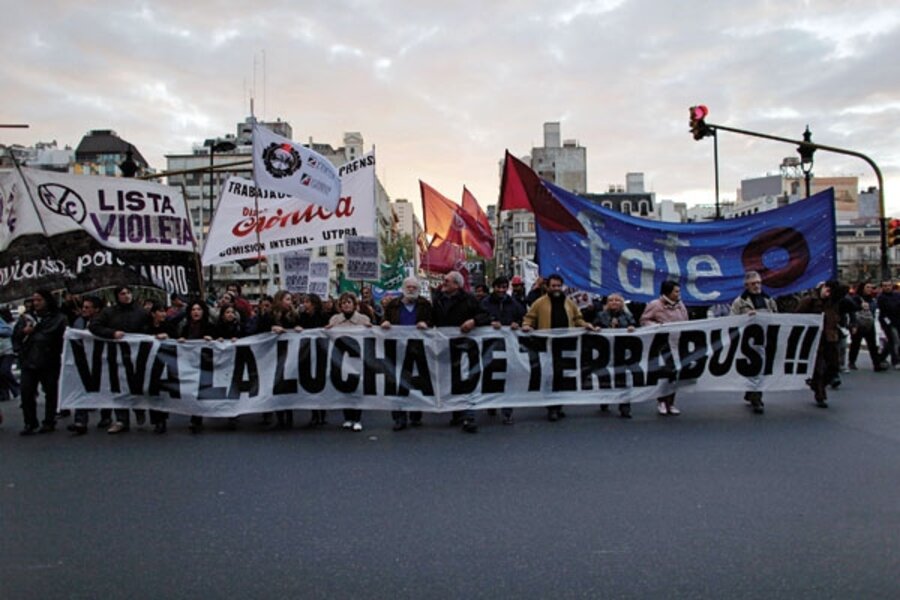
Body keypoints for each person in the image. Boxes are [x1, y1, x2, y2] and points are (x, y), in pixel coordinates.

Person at [522, 273, 595, 421]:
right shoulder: (540, 303)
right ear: (547, 287)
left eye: (558, 286)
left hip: (565, 344)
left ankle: (558, 404)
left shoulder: (569, 303)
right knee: (550, 375)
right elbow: (530, 317)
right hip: (547, 345)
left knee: (561, 375)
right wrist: (526, 325)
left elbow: (577, 318)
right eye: (553, 286)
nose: (556, 289)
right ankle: (552, 407)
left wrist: (586, 325)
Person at [432, 271, 490, 433]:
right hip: (445, 347)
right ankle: (456, 412)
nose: (444, 282)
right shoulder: (438, 300)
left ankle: (469, 416)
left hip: (466, 348)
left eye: (447, 281)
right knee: (451, 380)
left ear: (457, 285)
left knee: (466, 380)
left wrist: (474, 321)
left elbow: (486, 315)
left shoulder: (469, 300)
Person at [89, 286, 152, 433]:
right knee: (118, 387)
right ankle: (121, 419)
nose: (126, 296)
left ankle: (139, 410)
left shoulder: (141, 313)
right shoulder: (109, 313)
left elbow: (149, 330)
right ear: (117, 296)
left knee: (136, 385)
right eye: (123, 294)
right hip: (116, 356)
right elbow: (94, 326)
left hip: (136, 356)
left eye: (128, 293)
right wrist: (112, 333)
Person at [381, 277, 433, 430]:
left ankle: (416, 414)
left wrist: (427, 324)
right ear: (403, 288)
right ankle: (399, 417)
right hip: (397, 349)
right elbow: (385, 320)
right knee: (397, 383)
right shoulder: (393, 305)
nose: (411, 289)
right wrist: (385, 323)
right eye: (408, 287)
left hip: (418, 348)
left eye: (414, 287)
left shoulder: (425, 305)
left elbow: (433, 321)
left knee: (417, 382)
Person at [14, 290, 67, 435]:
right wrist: (23, 333)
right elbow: (16, 337)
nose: (36, 303)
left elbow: (58, 337)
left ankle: (49, 421)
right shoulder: (26, 318)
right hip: (28, 360)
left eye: (39, 300)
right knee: (26, 392)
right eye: (34, 300)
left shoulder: (58, 318)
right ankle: (29, 422)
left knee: (50, 391)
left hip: (49, 360)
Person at [730, 271, 778, 414]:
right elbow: (732, 319)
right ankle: (753, 394)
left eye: (758, 283)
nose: (757, 286)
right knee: (753, 369)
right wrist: (746, 317)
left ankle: (756, 396)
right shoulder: (740, 302)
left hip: (765, 339)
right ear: (747, 285)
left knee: (760, 369)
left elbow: (776, 317)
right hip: (747, 342)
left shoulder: (768, 300)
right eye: (753, 284)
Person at [480, 276, 525, 424]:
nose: (501, 290)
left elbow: (522, 317)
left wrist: (516, 324)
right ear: (494, 287)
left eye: (504, 287)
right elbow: (479, 317)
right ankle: (492, 403)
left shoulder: (513, 303)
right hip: (490, 345)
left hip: (508, 346)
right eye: (499, 287)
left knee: (508, 376)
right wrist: (490, 322)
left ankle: (507, 411)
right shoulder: (485, 303)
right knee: (490, 374)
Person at [640, 280, 689, 415]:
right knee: (664, 373)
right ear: (668, 292)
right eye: (676, 291)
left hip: (677, 343)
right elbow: (644, 320)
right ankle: (661, 401)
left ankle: (671, 402)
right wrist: (658, 327)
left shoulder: (680, 305)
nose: (678, 294)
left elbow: (686, 320)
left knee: (675, 374)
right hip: (662, 345)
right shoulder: (655, 305)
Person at [326, 292, 371, 431]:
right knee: (344, 388)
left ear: (354, 305)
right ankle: (348, 418)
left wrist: (371, 328)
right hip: (341, 359)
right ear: (340, 306)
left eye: (349, 302)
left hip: (357, 359)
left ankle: (357, 418)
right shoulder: (334, 319)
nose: (346, 305)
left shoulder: (364, 319)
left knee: (357, 388)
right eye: (343, 303)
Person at [797, 281, 843, 408]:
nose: (828, 290)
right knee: (818, 369)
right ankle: (820, 394)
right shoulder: (809, 301)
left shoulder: (833, 301)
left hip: (830, 338)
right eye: (825, 287)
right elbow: (797, 317)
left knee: (834, 366)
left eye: (830, 288)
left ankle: (818, 385)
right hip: (814, 339)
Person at [593, 293, 637, 418]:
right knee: (605, 375)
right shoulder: (601, 315)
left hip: (621, 351)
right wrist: (596, 328)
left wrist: (631, 327)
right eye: (611, 300)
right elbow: (595, 325)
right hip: (605, 351)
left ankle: (624, 406)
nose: (614, 302)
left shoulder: (628, 316)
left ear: (622, 303)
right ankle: (605, 399)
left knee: (622, 377)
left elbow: (635, 325)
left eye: (617, 300)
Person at [68, 295, 106, 434]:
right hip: (83, 360)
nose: (84, 310)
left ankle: (106, 416)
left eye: (87, 308)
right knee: (81, 388)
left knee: (104, 388)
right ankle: (80, 420)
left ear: (97, 310)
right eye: (83, 307)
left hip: (100, 360)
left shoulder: (104, 322)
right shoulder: (79, 322)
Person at [177, 300, 216, 432]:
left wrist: (212, 340)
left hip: (205, 363)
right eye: (193, 309)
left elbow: (219, 343)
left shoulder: (210, 326)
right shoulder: (185, 327)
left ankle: (197, 417)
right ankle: (195, 416)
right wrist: (181, 340)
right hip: (190, 364)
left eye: (198, 309)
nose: (196, 312)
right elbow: (179, 341)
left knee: (202, 390)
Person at [267, 290, 303, 429]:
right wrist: (271, 328)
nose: (290, 302)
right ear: (279, 300)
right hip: (273, 356)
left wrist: (298, 329)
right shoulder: (269, 316)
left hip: (290, 356)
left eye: (290, 300)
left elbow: (300, 328)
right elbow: (258, 331)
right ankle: (279, 417)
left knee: (288, 385)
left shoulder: (294, 316)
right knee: (276, 386)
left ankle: (289, 417)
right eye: (287, 299)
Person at [298, 293, 330, 427]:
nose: (305, 304)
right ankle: (314, 413)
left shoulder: (323, 316)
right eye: (304, 302)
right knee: (309, 382)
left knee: (321, 380)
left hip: (321, 352)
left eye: (307, 302)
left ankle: (322, 413)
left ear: (314, 304)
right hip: (307, 353)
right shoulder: (302, 317)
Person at [146, 301, 176, 434]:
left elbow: (176, 341)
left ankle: (162, 419)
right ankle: (156, 419)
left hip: (165, 364)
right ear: (153, 314)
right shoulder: (146, 327)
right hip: (150, 365)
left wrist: (168, 337)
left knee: (163, 392)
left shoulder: (169, 326)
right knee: (153, 391)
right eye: (160, 311)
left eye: (165, 311)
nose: (164, 314)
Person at [847, 281, 885, 372]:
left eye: (871, 287)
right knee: (855, 344)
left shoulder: (872, 299)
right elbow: (851, 310)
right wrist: (860, 307)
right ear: (863, 288)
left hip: (869, 324)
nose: (870, 289)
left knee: (872, 345)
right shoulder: (856, 298)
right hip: (859, 323)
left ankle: (876, 364)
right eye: (867, 287)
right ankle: (852, 361)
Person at [877, 279, 900, 368]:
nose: (887, 287)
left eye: (889, 285)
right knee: (894, 340)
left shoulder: (897, 295)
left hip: (898, 320)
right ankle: (895, 360)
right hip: (888, 321)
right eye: (885, 286)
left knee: (891, 341)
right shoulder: (881, 297)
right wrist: (887, 323)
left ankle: (881, 357)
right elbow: (884, 311)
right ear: (882, 287)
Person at [0, 307, 20, 405]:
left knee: (4, 371)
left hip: (7, 350)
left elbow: (8, 331)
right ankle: (4, 394)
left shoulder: (5, 323)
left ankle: (17, 389)